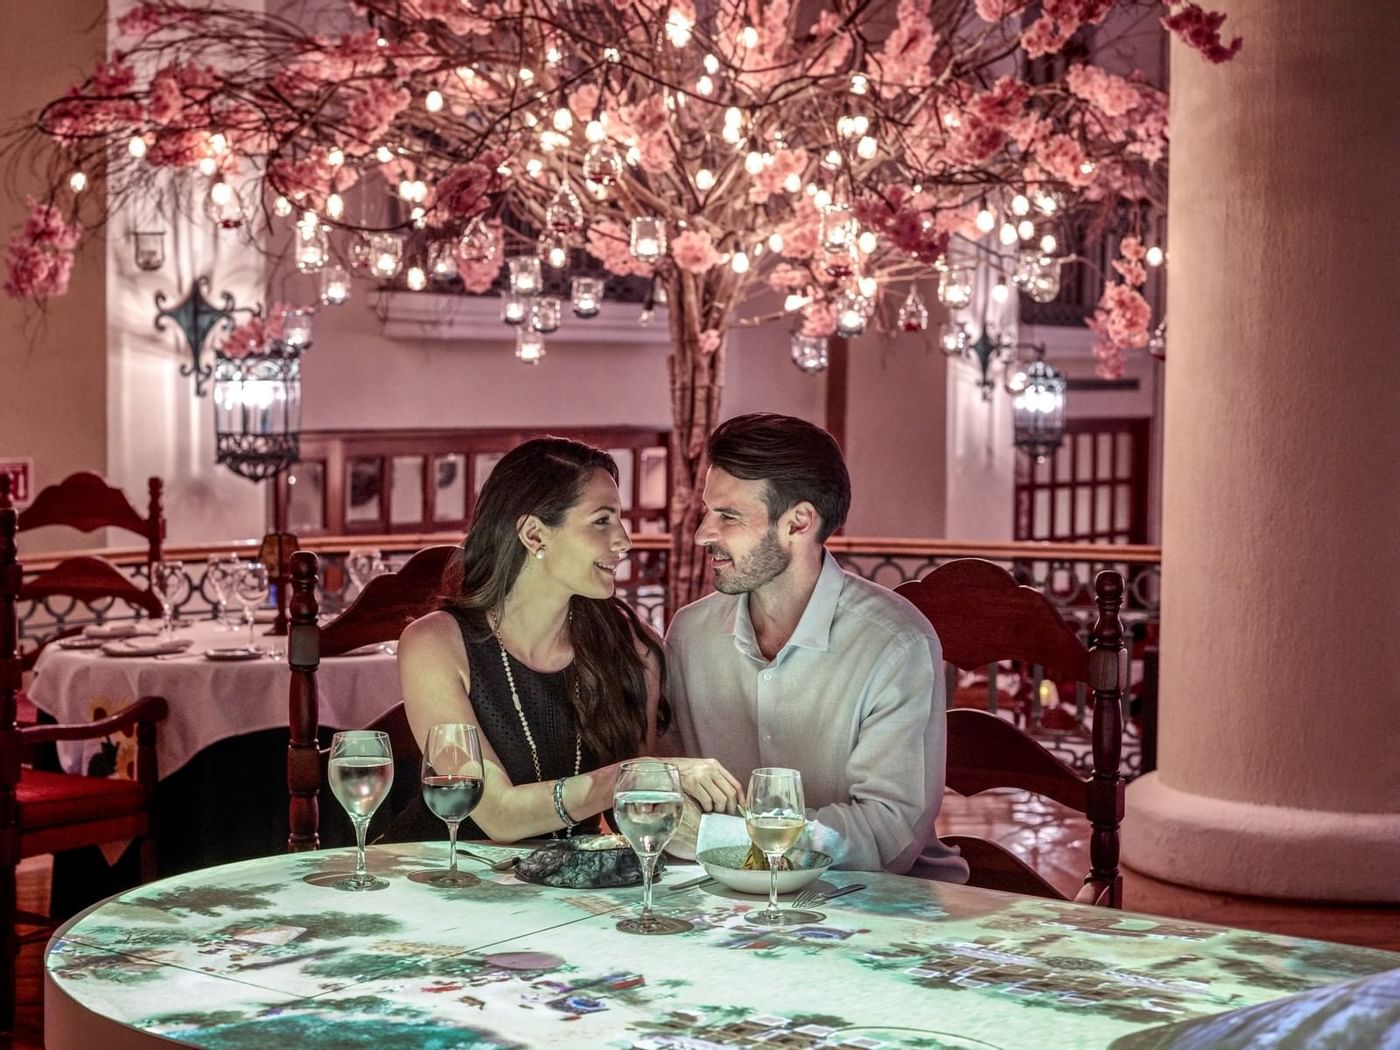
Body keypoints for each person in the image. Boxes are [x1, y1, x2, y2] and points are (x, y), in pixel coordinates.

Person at [666, 413, 969, 881]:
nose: (703, 533)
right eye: (708, 511)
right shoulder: (689, 635)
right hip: (725, 905)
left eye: (728, 516)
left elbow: (888, 837)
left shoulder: (895, 645)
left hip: (879, 911)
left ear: (799, 522)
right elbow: (674, 788)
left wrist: (721, 838)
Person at [397, 437, 738, 842]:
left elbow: (637, 813)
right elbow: (496, 814)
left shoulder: (633, 648)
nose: (624, 541)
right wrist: (626, 778)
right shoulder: (434, 645)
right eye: (602, 521)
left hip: (574, 890)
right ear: (534, 534)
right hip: (447, 879)